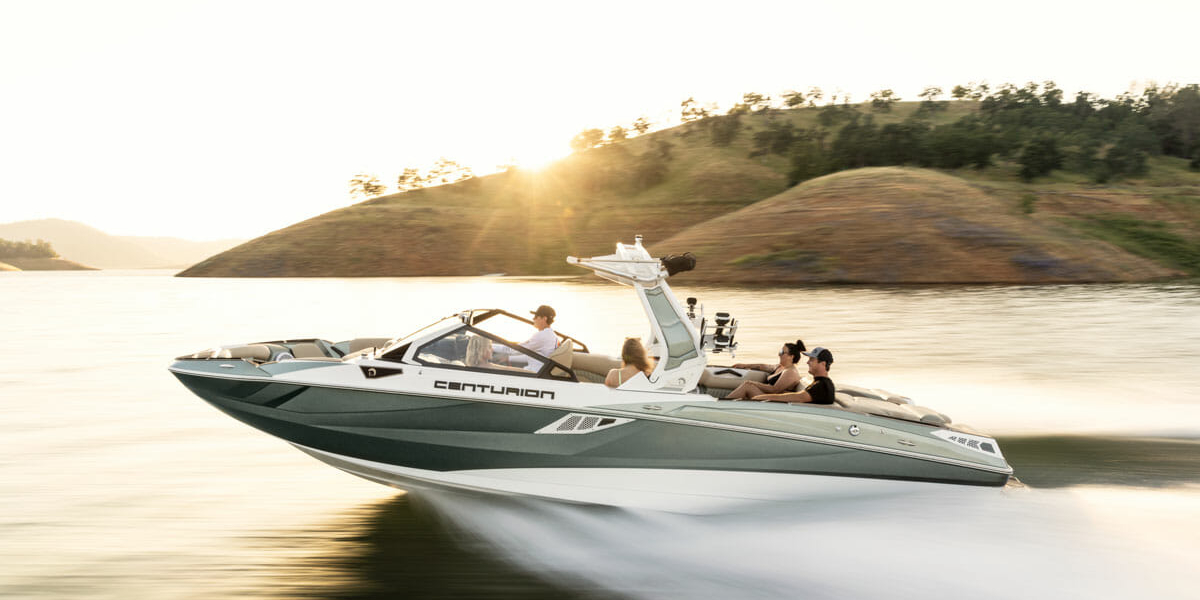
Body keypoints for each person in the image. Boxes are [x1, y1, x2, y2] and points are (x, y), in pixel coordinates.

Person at [725, 340, 805, 400]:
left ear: (791, 356)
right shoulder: (780, 367)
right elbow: (762, 366)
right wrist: (744, 365)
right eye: (780, 351)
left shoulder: (790, 372)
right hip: (766, 397)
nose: (779, 354)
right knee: (748, 385)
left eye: (782, 352)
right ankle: (725, 403)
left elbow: (774, 390)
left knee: (748, 386)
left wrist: (752, 383)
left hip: (774, 403)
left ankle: (723, 404)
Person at [753, 346, 836, 404]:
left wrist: (760, 397)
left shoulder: (822, 386)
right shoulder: (820, 383)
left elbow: (798, 397)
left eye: (812, 359)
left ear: (823, 364)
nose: (807, 362)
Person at [494, 305, 559, 370]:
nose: (533, 319)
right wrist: (509, 358)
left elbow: (515, 349)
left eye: (536, 316)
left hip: (534, 373)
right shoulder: (551, 335)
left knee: (496, 369)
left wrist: (491, 347)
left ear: (544, 318)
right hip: (537, 370)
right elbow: (533, 357)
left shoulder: (542, 335)